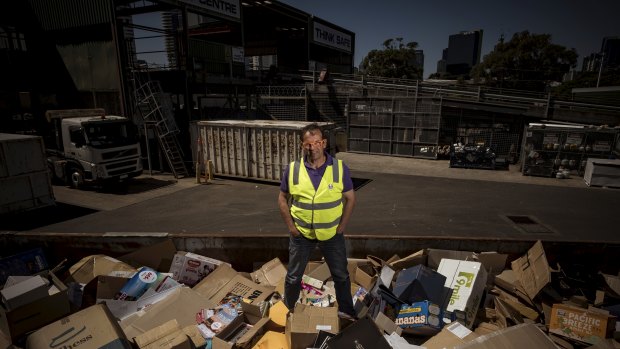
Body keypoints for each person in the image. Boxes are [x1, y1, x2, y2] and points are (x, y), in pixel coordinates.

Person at [278, 123, 357, 319]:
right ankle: (287, 313)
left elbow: (351, 198)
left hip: (331, 235)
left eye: (317, 142)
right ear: (302, 146)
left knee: (341, 275)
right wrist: (292, 228)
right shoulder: (293, 169)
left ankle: (346, 311)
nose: (313, 147)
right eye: (308, 144)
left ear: (324, 143)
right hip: (302, 234)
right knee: (294, 277)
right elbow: (282, 198)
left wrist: (341, 227)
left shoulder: (339, 168)